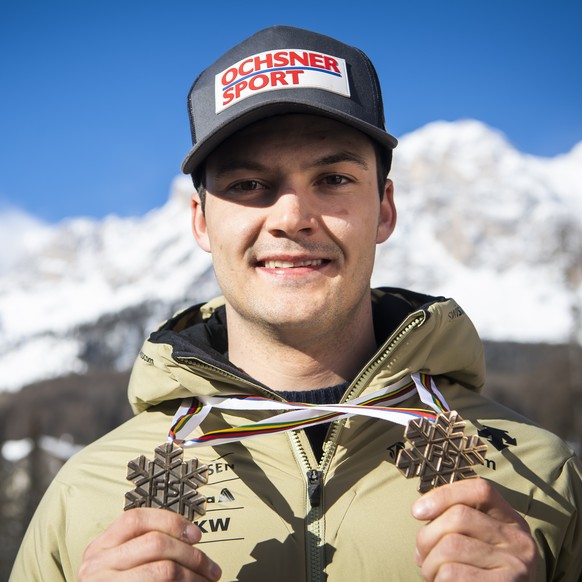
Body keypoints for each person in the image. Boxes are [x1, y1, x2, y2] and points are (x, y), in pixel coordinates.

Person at [10, 25, 582, 582]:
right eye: (247, 185)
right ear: (200, 220)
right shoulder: (85, 495)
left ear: (384, 208)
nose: (290, 218)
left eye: (332, 179)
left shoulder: (542, 474)